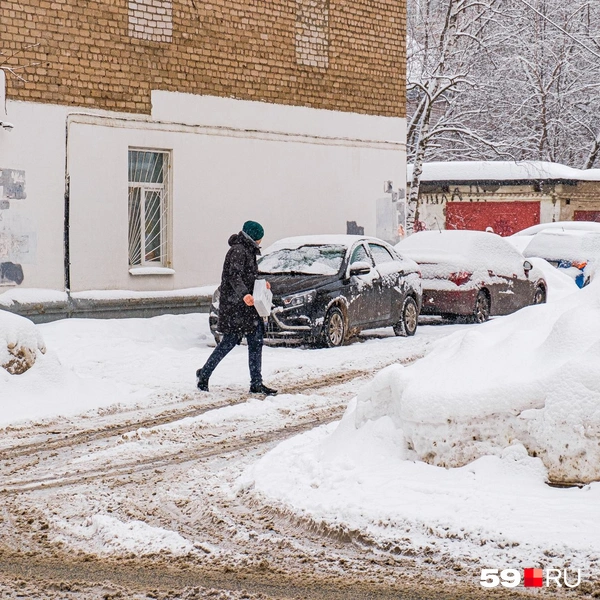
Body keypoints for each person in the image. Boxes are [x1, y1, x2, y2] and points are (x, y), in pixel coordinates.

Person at [196, 221, 277, 396]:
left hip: (247, 307)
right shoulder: (238, 251)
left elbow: (249, 275)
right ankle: (204, 374)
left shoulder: (248, 250)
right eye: (260, 239)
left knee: (256, 342)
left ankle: (256, 383)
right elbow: (234, 276)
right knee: (228, 342)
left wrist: (262, 283)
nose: (261, 242)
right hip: (235, 307)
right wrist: (244, 295)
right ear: (254, 237)